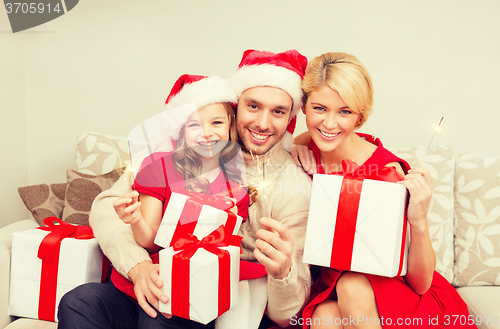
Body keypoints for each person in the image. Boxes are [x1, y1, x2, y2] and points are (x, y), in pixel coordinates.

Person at [58, 49, 312, 329]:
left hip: (222, 301)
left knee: (163, 317)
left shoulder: (294, 185)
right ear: (235, 107)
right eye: (253, 106)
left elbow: (290, 315)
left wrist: (282, 271)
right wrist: (137, 266)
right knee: (80, 302)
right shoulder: (184, 149)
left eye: (278, 112)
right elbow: (106, 207)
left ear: (290, 117)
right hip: (157, 276)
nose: (263, 124)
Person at [291, 52, 476, 328]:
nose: (329, 124)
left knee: (352, 285)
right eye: (320, 109)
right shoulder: (307, 144)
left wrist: (419, 220)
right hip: (333, 289)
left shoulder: (386, 172)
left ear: (360, 116)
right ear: (304, 107)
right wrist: (289, 148)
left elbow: (421, 283)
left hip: (396, 294)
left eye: (344, 112)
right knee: (323, 318)